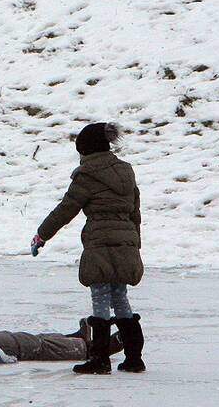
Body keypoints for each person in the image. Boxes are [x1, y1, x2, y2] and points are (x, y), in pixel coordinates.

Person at [31, 123, 146, 375]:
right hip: (126, 241)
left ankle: (100, 359)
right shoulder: (126, 171)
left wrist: (42, 234)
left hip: (100, 242)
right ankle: (134, 358)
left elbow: (66, 210)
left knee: (101, 297)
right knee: (120, 296)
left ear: (86, 149)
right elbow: (135, 211)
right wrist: (135, 243)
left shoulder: (87, 175)